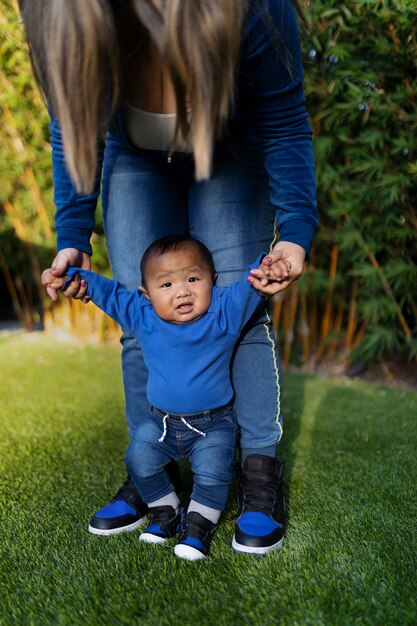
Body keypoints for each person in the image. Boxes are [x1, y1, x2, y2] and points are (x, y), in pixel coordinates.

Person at [20, 0, 318, 555]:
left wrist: (295, 233)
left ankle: (258, 474)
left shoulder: (250, 10)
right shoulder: (61, 15)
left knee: (244, 312)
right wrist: (72, 235)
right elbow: (71, 127)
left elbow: (283, 119)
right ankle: (152, 470)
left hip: (231, 149)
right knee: (140, 320)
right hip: (133, 159)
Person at [53, 234, 286, 560]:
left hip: (213, 425)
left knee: (212, 472)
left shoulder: (222, 311)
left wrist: (266, 269)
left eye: (193, 279)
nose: (182, 291)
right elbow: (108, 292)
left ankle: (197, 527)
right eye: (167, 285)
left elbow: (250, 287)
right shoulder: (142, 314)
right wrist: (74, 277)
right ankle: (166, 511)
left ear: (212, 281)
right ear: (146, 294)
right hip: (160, 422)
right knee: (139, 458)